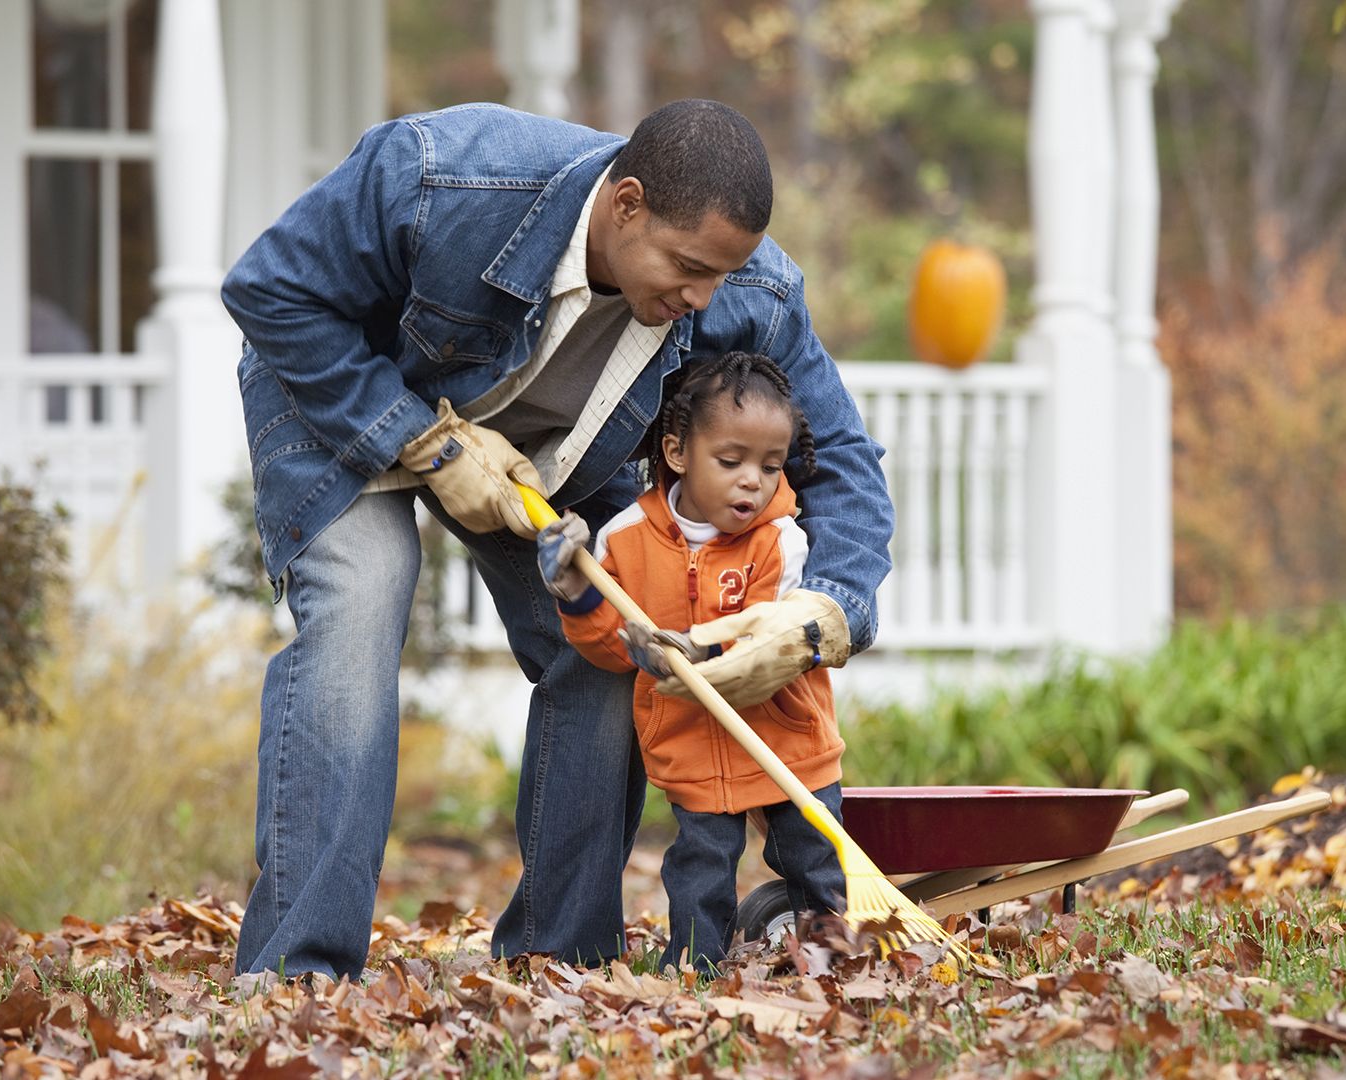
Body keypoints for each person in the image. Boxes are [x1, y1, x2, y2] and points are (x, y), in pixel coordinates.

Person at [221, 98, 893, 981]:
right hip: (343, 398)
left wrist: (825, 615)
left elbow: (840, 453)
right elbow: (269, 287)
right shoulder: (438, 174)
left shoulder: (751, 291)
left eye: (720, 277)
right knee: (362, 599)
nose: (703, 299)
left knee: (617, 644)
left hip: (556, 459)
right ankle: (297, 971)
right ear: (626, 205)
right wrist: (419, 438)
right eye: (688, 267)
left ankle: (556, 957)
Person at [535, 352, 846, 972]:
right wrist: (576, 592)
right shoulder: (623, 539)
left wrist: (698, 647)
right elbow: (608, 648)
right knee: (700, 866)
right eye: (730, 461)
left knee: (814, 857)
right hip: (693, 747)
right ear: (677, 453)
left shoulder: (779, 539)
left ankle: (833, 960)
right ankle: (695, 966)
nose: (752, 481)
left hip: (786, 740)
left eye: (770, 465)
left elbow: (762, 635)